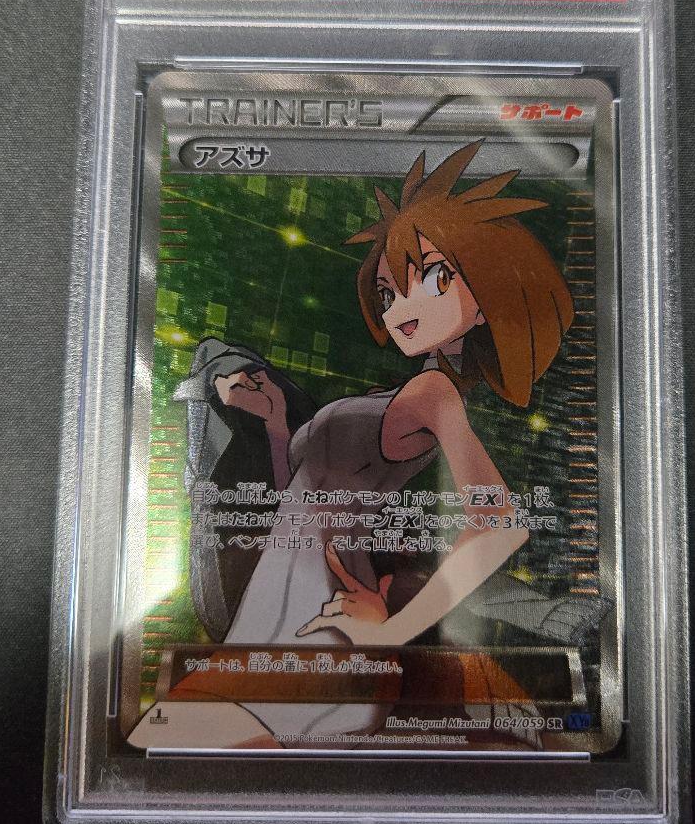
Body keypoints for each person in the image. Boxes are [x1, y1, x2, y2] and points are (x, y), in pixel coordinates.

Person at [140, 140, 575, 748]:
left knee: (173, 747)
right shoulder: (404, 394)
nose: (401, 308)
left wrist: (393, 632)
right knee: (169, 747)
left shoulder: (434, 395)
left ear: (485, 300)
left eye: (434, 277)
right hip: (281, 605)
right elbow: (304, 497)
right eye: (389, 292)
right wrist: (275, 423)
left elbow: (498, 526)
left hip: (322, 617)